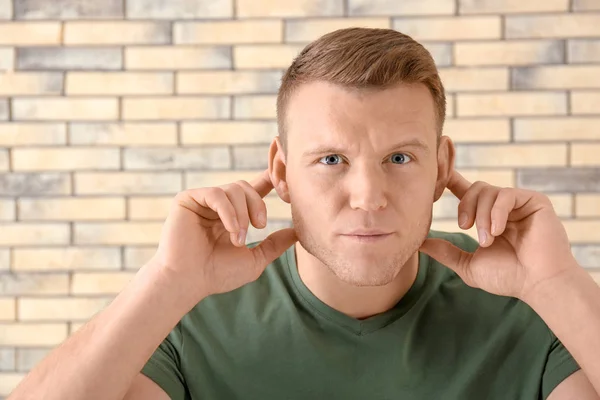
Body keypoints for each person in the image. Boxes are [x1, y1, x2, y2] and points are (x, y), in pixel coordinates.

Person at [8, 27, 600, 400]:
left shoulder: (531, 305)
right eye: (331, 159)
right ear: (282, 171)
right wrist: (164, 284)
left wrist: (558, 283)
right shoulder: (187, 314)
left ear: (442, 167)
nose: (368, 195)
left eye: (400, 156)